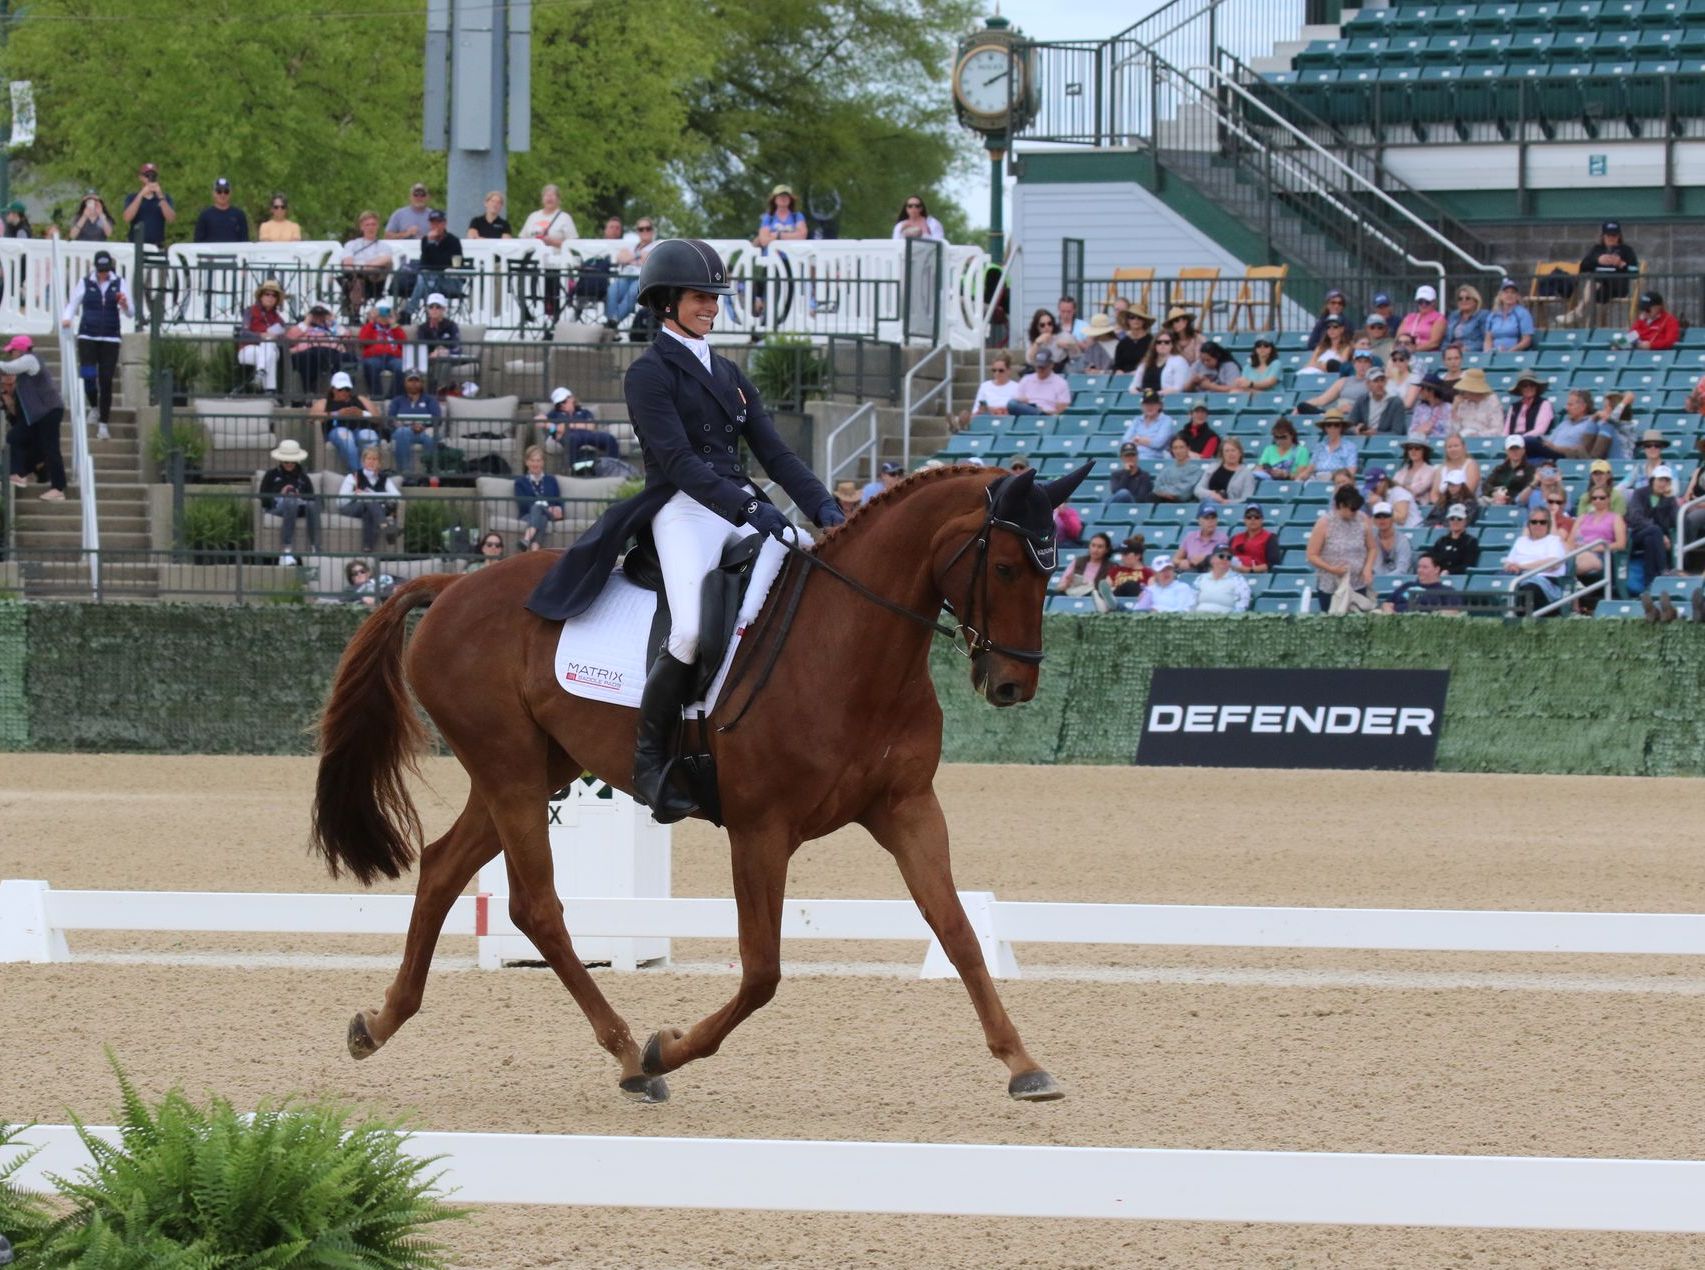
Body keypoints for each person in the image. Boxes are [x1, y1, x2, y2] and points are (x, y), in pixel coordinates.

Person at [524, 238, 844, 822]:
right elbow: (678, 462)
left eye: (715, 299)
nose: (711, 308)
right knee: (692, 631)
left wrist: (826, 511)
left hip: (738, 503)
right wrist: (752, 512)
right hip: (684, 508)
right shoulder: (648, 373)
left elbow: (776, 454)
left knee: (807, 582)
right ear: (667, 301)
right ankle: (650, 761)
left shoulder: (729, 374)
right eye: (701, 298)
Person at [60, 247, 131, 436]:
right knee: (89, 376)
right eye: (101, 270)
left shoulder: (119, 282)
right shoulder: (84, 282)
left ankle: (103, 423)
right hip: (87, 336)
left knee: (106, 380)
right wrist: (66, 318)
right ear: (95, 268)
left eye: (106, 269)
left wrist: (124, 304)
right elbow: (73, 304)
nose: (103, 274)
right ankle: (94, 406)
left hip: (110, 337)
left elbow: (131, 312)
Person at [1, 335, 67, 501]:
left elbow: (7, 368)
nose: (11, 355)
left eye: (12, 351)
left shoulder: (30, 359)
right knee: (14, 437)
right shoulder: (26, 364)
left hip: (49, 411)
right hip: (38, 416)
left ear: (20, 350)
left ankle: (58, 488)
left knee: (51, 449)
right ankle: (18, 474)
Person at [1307, 484, 1376, 611]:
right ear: (1341, 505)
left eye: (1357, 509)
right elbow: (1312, 555)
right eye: (1352, 509)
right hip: (1331, 585)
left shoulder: (1363, 519)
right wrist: (1331, 569)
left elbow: (1372, 548)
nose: (1355, 512)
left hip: (1357, 582)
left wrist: (1367, 568)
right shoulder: (1325, 523)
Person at [259, 438, 320, 565]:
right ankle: (286, 551)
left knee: (312, 505)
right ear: (280, 460)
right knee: (290, 501)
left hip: (300, 506)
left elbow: (311, 497)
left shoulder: (303, 477)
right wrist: (279, 494)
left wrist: (299, 495)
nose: (289, 464)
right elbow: (263, 499)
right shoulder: (271, 475)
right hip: (277, 507)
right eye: (286, 461)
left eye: (291, 461)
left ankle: (316, 548)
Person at [1566, 486, 1626, 611]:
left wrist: (1597, 548)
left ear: (1608, 499)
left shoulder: (1615, 518)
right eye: (1594, 498)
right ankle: (1574, 599)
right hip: (1579, 552)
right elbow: (1570, 541)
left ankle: (1574, 600)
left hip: (1601, 556)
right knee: (1569, 560)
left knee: (1569, 565)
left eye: (1602, 498)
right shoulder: (1583, 517)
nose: (1598, 500)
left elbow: (1621, 544)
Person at [1503, 505, 1568, 615]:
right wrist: (1511, 566)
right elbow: (1508, 562)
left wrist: (1522, 566)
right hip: (1518, 577)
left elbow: (1553, 563)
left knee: (1528, 589)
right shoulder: (1521, 541)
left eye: (1542, 522)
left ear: (1548, 525)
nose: (1538, 525)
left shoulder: (1553, 541)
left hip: (1544, 581)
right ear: (1529, 524)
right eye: (1534, 522)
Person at [312, 371, 380, 472]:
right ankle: (359, 474)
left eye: (347, 389)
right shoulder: (325, 402)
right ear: (333, 389)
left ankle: (369, 473)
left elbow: (377, 418)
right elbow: (312, 417)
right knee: (346, 436)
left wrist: (363, 414)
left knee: (369, 435)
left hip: (361, 429)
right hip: (338, 430)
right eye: (340, 389)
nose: (344, 392)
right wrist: (337, 414)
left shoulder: (360, 399)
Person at [1625, 467, 1679, 591]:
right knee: (1655, 531)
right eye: (1660, 480)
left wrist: (1671, 500)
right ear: (1653, 480)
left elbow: (1675, 521)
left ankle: (1650, 583)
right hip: (1636, 535)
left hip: (1654, 539)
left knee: (1651, 539)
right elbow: (1635, 517)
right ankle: (1663, 570)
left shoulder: (1669, 499)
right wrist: (1660, 533)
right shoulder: (1639, 493)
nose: (1663, 484)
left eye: (1666, 481)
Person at [337, 446, 401, 549]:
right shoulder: (353, 477)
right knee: (369, 501)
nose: (372, 462)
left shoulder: (384, 479)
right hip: (351, 508)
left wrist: (373, 495)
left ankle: (367, 549)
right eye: (369, 459)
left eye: (375, 459)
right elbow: (340, 502)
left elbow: (397, 497)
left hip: (371, 509)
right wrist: (355, 494)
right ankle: (386, 527)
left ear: (379, 463)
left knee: (369, 509)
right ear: (363, 461)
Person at [537, 385, 619, 464]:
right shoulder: (555, 414)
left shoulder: (584, 412)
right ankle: (573, 470)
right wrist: (554, 427)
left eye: (564, 401)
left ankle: (612, 467)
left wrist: (567, 425)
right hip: (569, 437)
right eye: (558, 404)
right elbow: (540, 422)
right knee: (572, 439)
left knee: (609, 438)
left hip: (588, 434)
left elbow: (591, 426)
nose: (562, 405)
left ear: (571, 398)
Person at [408, 210, 464, 318]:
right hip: (430, 280)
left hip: (449, 281)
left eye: (438, 222)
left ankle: (410, 312)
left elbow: (449, 262)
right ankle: (433, 318)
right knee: (425, 280)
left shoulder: (453, 241)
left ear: (444, 223)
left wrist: (434, 245)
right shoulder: (425, 240)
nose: (435, 225)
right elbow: (424, 262)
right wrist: (430, 242)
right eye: (433, 223)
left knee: (425, 280)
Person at [339, 211, 394, 319]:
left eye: (373, 224)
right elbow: (347, 264)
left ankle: (355, 313)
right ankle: (355, 315)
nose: (370, 228)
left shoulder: (384, 246)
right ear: (362, 227)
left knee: (384, 264)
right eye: (367, 225)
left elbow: (386, 259)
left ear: (377, 226)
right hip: (354, 277)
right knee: (356, 280)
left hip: (375, 280)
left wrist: (363, 267)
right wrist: (368, 265)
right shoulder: (352, 244)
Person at [1573, 219, 1639, 308]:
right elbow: (1583, 267)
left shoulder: (1626, 250)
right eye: (1608, 235)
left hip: (1617, 285)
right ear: (1603, 236)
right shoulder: (1597, 249)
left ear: (1619, 236)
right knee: (1594, 290)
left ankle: (1577, 313)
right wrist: (1597, 260)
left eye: (1614, 235)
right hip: (1601, 288)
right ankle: (1586, 318)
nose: (1611, 238)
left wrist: (1622, 265)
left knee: (1595, 282)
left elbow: (1635, 271)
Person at [606, 217, 659, 325]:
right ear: (637, 232)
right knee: (612, 290)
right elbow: (620, 258)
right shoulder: (632, 246)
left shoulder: (656, 246)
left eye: (647, 228)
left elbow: (649, 260)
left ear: (652, 231)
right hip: (626, 277)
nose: (644, 231)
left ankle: (613, 322)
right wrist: (638, 255)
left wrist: (631, 258)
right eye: (641, 229)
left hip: (643, 279)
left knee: (632, 293)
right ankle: (611, 325)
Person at [387, 369, 441, 474]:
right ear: (405, 383)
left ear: (422, 383)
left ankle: (430, 474)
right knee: (402, 432)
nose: (414, 383)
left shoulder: (430, 400)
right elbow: (390, 419)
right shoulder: (397, 400)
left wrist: (423, 425)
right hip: (404, 431)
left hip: (424, 431)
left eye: (416, 380)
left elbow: (437, 419)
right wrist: (400, 425)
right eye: (410, 380)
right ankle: (405, 473)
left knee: (432, 437)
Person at [513, 444, 565, 550]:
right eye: (532, 461)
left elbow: (558, 500)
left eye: (538, 461)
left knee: (539, 509)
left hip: (550, 514)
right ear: (526, 462)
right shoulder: (520, 482)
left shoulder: (551, 480)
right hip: (527, 515)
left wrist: (559, 509)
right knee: (541, 515)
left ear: (543, 462)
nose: (535, 464)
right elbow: (523, 504)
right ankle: (534, 548)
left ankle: (527, 538)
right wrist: (545, 507)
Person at [286, 302, 342, 397]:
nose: (318, 317)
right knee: (309, 355)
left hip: (326, 352)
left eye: (321, 315)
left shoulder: (330, 329)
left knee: (321, 353)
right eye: (315, 314)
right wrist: (306, 322)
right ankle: (309, 391)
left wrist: (333, 321)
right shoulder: (302, 327)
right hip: (304, 354)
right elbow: (290, 339)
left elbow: (345, 337)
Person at [1300, 347, 1377, 415]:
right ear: (1354, 364)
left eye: (1366, 362)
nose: (1362, 365)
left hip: (1358, 415)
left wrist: (1354, 408)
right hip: (1338, 414)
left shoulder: (1375, 382)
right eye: (1359, 361)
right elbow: (1322, 400)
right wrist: (1305, 404)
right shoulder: (1343, 381)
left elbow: (1378, 404)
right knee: (1302, 406)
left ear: (1371, 364)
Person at [356, 300, 407, 398]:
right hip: (374, 357)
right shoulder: (369, 327)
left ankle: (393, 397)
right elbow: (363, 341)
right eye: (380, 312)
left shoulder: (395, 328)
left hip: (393, 357)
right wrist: (371, 321)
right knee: (372, 365)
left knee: (401, 367)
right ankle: (377, 396)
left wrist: (393, 324)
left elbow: (403, 344)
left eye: (386, 311)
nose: (383, 315)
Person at [415, 295, 463, 390]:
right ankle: (438, 390)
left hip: (448, 359)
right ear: (427, 309)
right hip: (430, 359)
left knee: (444, 361)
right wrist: (432, 354)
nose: (434, 309)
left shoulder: (451, 326)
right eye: (431, 307)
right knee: (436, 363)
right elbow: (420, 348)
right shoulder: (422, 328)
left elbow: (457, 347)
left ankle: (439, 390)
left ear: (443, 309)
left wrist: (446, 352)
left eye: (438, 307)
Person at [121, 162, 175, 247]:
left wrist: (160, 196)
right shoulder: (132, 197)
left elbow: (171, 219)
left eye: (153, 176)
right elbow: (127, 218)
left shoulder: (165, 197)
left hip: (157, 246)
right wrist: (141, 194)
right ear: (141, 178)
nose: (150, 179)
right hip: (135, 245)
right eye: (147, 176)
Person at [1383, 555, 1459, 613]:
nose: (1419, 570)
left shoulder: (1446, 591)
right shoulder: (1407, 585)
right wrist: (1390, 613)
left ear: (1437, 569)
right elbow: (1387, 603)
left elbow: (1453, 611)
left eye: (1425, 567)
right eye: (1419, 567)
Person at [1007, 346, 1071, 416]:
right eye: (1038, 366)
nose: (1040, 369)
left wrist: (1044, 411)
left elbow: (1061, 410)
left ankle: (1040, 414)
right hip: (1027, 412)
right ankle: (1039, 413)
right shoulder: (1026, 380)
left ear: (1051, 365)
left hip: (1048, 416)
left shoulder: (1060, 383)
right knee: (1012, 404)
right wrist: (1024, 401)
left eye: (1043, 367)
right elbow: (1018, 400)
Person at [1122, 388, 1177, 462]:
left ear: (1160, 406)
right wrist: (1147, 441)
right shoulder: (1137, 420)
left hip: (1155, 459)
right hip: (1134, 457)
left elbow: (1158, 443)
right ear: (1142, 406)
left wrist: (1137, 439)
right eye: (1146, 404)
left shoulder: (1166, 420)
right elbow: (1125, 441)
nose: (1149, 407)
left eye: (1153, 404)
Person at [1195, 437, 1254, 506]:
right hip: (1209, 504)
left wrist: (1226, 502)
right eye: (1227, 451)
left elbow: (1246, 499)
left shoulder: (1247, 473)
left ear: (1240, 453)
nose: (1230, 454)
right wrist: (1211, 494)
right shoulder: (1213, 467)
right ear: (1222, 454)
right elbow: (1198, 489)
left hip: (1230, 507)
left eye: (1233, 450)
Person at [1351, 365, 1407, 436]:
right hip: (1363, 440)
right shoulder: (1362, 400)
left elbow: (1397, 433)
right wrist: (1356, 429)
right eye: (1375, 381)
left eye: (1382, 380)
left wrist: (1376, 434)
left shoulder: (1396, 402)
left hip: (1384, 443)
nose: (1380, 384)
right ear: (1368, 384)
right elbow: (1349, 426)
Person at [1302, 410, 1358, 481]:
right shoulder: (1319, 446)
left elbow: (1351, 472)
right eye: (1329, 425)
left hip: (1337, 480)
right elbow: (1310, 468)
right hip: (1317, 479)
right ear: (1325, 428)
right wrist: (1299, 479)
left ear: (1341, 427)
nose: (1332, 428)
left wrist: (1334, 477)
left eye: (1336, 425)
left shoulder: (1350, 447)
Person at [1193, 546, 1252, 613]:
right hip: (1198, 619)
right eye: (1221, 556)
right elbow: (1191, 603)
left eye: (1229, 557)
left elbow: (1242, 605)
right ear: (1212, 559)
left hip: (1223, 620)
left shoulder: (1238, 580)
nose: (1225, 559)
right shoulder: (1201, 579)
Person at [1056, 532, 1115, 598]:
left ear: (1106, 550)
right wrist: (1067, 583)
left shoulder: (1112, 567)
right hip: (1073, 595)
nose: (1095, 550)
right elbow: (1060, 587)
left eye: (1100, 547)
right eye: (1093, 545)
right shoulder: (1078, 561)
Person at [1482, 279, 1534, 353]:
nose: (1509, 295)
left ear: (1517, 296)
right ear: (1500, 296)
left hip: (1515, 354)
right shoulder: (1492, 315)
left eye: (1513, 292)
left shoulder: (1523, 313)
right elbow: (1488, 339)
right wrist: (1487, 353)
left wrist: (1509, 352)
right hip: (1494, 353)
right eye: (1506, 292)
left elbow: (1527, 340)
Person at [1427, 503, 1481, 574]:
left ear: (1465, 521)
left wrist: (1449, 572)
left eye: (1459, 519)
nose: (1455, 521)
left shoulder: (1470, 542)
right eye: (1452, 518)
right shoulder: (1441, 541)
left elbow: (1468, 565)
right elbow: (1433, 559)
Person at [1448, 367, 1503, 436]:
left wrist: (1477, 435)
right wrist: (1454, 409)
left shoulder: (1492, 401)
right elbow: (1454, 430)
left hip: (1483, 439)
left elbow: (1498, 430)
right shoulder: (1462, 401)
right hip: (1462, 439)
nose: (1463, 392)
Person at [1254, 416, 1309, 483]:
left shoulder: (1301, 451)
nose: (1280, 440)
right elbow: (1259, 468)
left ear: (1291, 435)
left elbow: (1301, 475)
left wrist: (1285, 475)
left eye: (1283, 437)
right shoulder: (1269, 449)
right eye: (1277, 437)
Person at [193, 177, 249, 243]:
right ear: (213, 193)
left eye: (226, 191)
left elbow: (244, 241)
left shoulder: (239, 215)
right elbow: (198, 241)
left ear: (230, 193)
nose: (223, 195)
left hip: (233, 253)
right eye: (219, 191)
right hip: (211, 253)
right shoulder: (204, 216)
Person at [1483, 436, 1536, 506]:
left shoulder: (1530, 469)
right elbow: (1486, 484)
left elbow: (1527, 489)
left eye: (1517, 448)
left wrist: (1507, 498)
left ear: (1523, 450)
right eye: (1511, 449)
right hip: (1496, 499)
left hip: (1516, 502)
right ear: (1506, 451)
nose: (1514, 452)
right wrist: (1494, 493)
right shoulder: (1500, 468)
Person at [1176, 502, 1229, 571]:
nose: (1210, 521)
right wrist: (1183, 562)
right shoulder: (1190, 537)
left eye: (1213, 518)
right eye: (1206, 518)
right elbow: (1175, 559)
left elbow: (1224, 560)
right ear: (1199, 521)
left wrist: (1205, 559)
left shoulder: (1222, 538)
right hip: (1191, 571)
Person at [1153, 435, 1205, 504]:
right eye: (1175, 448)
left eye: (1181, 447)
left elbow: (1184, 494)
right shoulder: (1166, 470)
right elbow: (1156, 488)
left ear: (1188, 448)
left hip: (1183, 505)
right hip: (1163, 501)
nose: (1178, 451)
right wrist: (1168, 492)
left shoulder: (1196, 471)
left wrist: (1164, 492)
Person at [1229, 504, 1281, 572]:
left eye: (1256, 517)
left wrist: (1250, 570)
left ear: (1262, 519)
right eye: (1249, 517)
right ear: (1244, 520)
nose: (1252, 519)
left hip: (1257, 576)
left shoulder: (1270, 537)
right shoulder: (1234, 538)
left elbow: (1273, 563)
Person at [1136, 328, 1190, 393]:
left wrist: (1154, 394)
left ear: (1172, 345)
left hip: (1166, 399)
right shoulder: (1146, 362)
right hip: (1143, 399)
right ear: (1155, 345)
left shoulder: (1179, 361)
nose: (1162, 344)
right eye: (1159, 342)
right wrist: (1140, 393)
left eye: (1167, 342)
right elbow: (1134, 386)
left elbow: (1179, 388)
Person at [1504, 370, 1553, 440]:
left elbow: (1540, 430)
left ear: (1536, 387)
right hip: (1513, 442)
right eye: (1524, 386)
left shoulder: (1544, 404)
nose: (1529, 388)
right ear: (1520, 389)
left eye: (1532, 385)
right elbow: (1506, 431)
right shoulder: (1514, 407)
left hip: (1533, 441)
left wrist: (1520, 439)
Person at [756, 184, 807, 249]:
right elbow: (764, 241)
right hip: (771, 257)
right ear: (774, 199)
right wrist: (793, 235)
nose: (783, 198)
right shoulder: (768, 217)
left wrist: (778, 235)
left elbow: (802, 236)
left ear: (790, 199)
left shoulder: (797, 216)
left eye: (786, 196)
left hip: (793, 257)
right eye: (780, 196)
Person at [1369, 500, 1413, 575]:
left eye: (1386, 516)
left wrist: (1385, 580)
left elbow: (1403, 568)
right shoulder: (1370, 538)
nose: (1382, 520)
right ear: (1374, 519)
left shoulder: (1402, 540)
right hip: (1375, 581)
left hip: (1399, 582)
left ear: (1392, 517)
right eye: (1378, 517)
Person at [1620, 429, 1670, 494]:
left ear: (1661, 448)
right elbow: (1623, 484)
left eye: (1657, 445)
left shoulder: (1668, 467)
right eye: (1648, 445)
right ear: (1644, 448)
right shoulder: (1639, 468)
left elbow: (1673, 491)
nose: (1652, 448)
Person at [1398, 284, 1446, 351]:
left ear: (1434, 302)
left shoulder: (1438, 318)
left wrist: (1413, 350)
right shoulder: (1409, 317)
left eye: (1427, 302)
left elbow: (1434, 343)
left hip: (1426, 354)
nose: (1423, 305)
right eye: (1420, 302)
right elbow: (1397, 338)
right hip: (1403, 353)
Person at [1393, 439, 1438, 509]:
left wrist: (1400, 487)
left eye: (1417, 448)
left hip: (1418, 507)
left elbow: (1418, 489)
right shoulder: (1403, 470)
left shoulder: (1431, 470)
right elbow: (1393, 486)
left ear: (1424, 451)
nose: (1413, 451)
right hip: (1399, 505)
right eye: (1410, 448)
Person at [1436, 432, 1481, 501]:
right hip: (1442, 506)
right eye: (1449, 447)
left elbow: (1469, 490)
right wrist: (1441, 505)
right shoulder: (1441, 468)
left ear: (1464, 447)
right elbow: (1434, 494)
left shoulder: (1471, 464)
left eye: (1456, 446)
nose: (1453, 449)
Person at [1445, 284, 1488, 349]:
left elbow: (1486, 341)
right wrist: (1448, 348)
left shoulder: (1483, 315)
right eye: (1460, 299)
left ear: (1475, 301)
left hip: (1473, 354)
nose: (1463, 301)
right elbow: (1446, 339)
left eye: (1467, 298)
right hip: (1453, 353)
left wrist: (1467, 348)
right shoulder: (1453, 316)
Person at [1112, 306, 1154, 373]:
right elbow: (1117, 365)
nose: (1136, 320)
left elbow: (1155, 363)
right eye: (1132, 317)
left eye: (1139, 318)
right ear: (1128, 321)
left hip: (1145, 377)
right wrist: (1118, 371)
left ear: (1144, 321)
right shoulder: (1122, 343)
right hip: (1125, 379)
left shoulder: (1151, 341)